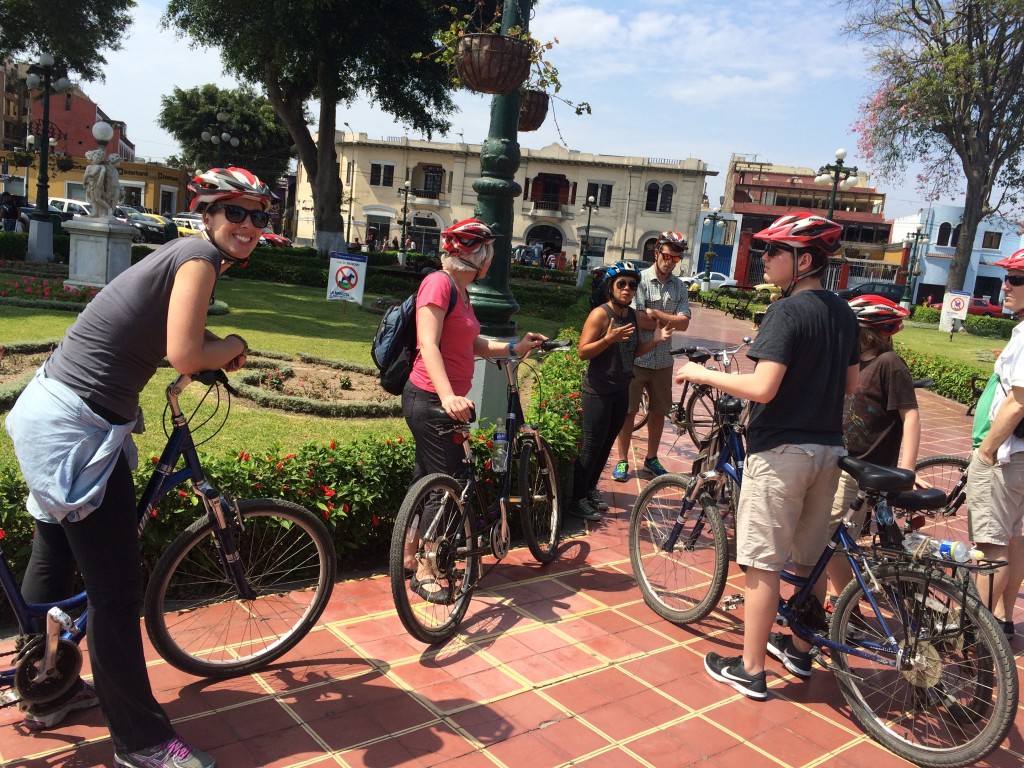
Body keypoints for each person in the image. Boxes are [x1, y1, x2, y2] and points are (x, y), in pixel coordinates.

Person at [4, 166, 273, 766]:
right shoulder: (199, 257)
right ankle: (142, 743)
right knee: (116, 594)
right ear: (207, 212)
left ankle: (47, 688)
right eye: (236, 212)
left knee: (56, 553)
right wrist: (231, 348)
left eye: (260, 216)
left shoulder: (181, 253)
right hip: (76, 426)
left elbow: (163, 339)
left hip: (54, 409)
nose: (249, 226)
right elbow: (185, 350)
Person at [675, 212, 859, 700]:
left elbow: (761, 387)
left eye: (774, 252)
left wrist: (702, 374)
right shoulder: (843, 312)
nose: (765, 260)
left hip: (782, 453)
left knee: (762, 564)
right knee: (809, 560)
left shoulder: (786, 311)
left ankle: (751, 669)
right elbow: (852, 385)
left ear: (804, 260)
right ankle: (799, 648)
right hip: (829, 450)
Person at [401, 218, 547, 600]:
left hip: (442, 399)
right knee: (445, 485)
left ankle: (408, 555)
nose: (491, 261)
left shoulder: (461, 292)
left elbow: (474, 343)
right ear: (477, 255)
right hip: (431, 398)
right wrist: (448, 396)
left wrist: (516, 347)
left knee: (426, 478)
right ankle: (427, 570)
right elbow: (428, 344)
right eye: (488, 253)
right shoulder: (437, 283)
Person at [824, 295, 919, 604]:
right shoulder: (854, 362)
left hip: (863, 468)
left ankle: (846, 607)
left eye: (854, 327)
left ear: (868, 332)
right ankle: (841, 597)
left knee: (831, 537)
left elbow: (911, 416)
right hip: (839, 461)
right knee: (832, 535)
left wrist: (907, 469)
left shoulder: (889, 364)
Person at [569, 261, 672, 521]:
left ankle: (590, 489)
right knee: (591, 446)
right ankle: (575, 498)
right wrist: (607, 339)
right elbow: (582, 352)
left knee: (606, 445)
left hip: (621, 389)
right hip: (598, 391)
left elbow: (632, 352)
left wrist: (656, 341)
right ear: (611, 287)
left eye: (632, 285)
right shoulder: (601, 315)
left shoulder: (632, 316)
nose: (627, 289)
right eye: (621, 284)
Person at [967, 248, 1024, 639]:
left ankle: (976, 634)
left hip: (1006, 455)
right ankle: (1001, 621)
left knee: (991, 545)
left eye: (1017, 279)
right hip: (1020, 457)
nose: (1006, 285)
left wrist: (987, 449)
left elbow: (1019, 399)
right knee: (1015, 538)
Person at [612, 231, 691, 482]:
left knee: (659, 412)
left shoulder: (680, 286)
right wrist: (668, 319)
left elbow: (685, 323)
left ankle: (651, 459)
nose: (669, 261)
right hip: (637, 357)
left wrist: (656, 313)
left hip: (663, 361)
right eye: (666, 255)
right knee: (628, 411)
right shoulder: (639, 280)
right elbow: (639, 319)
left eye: (675, 259)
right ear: (656, 252)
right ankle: (623, 461)